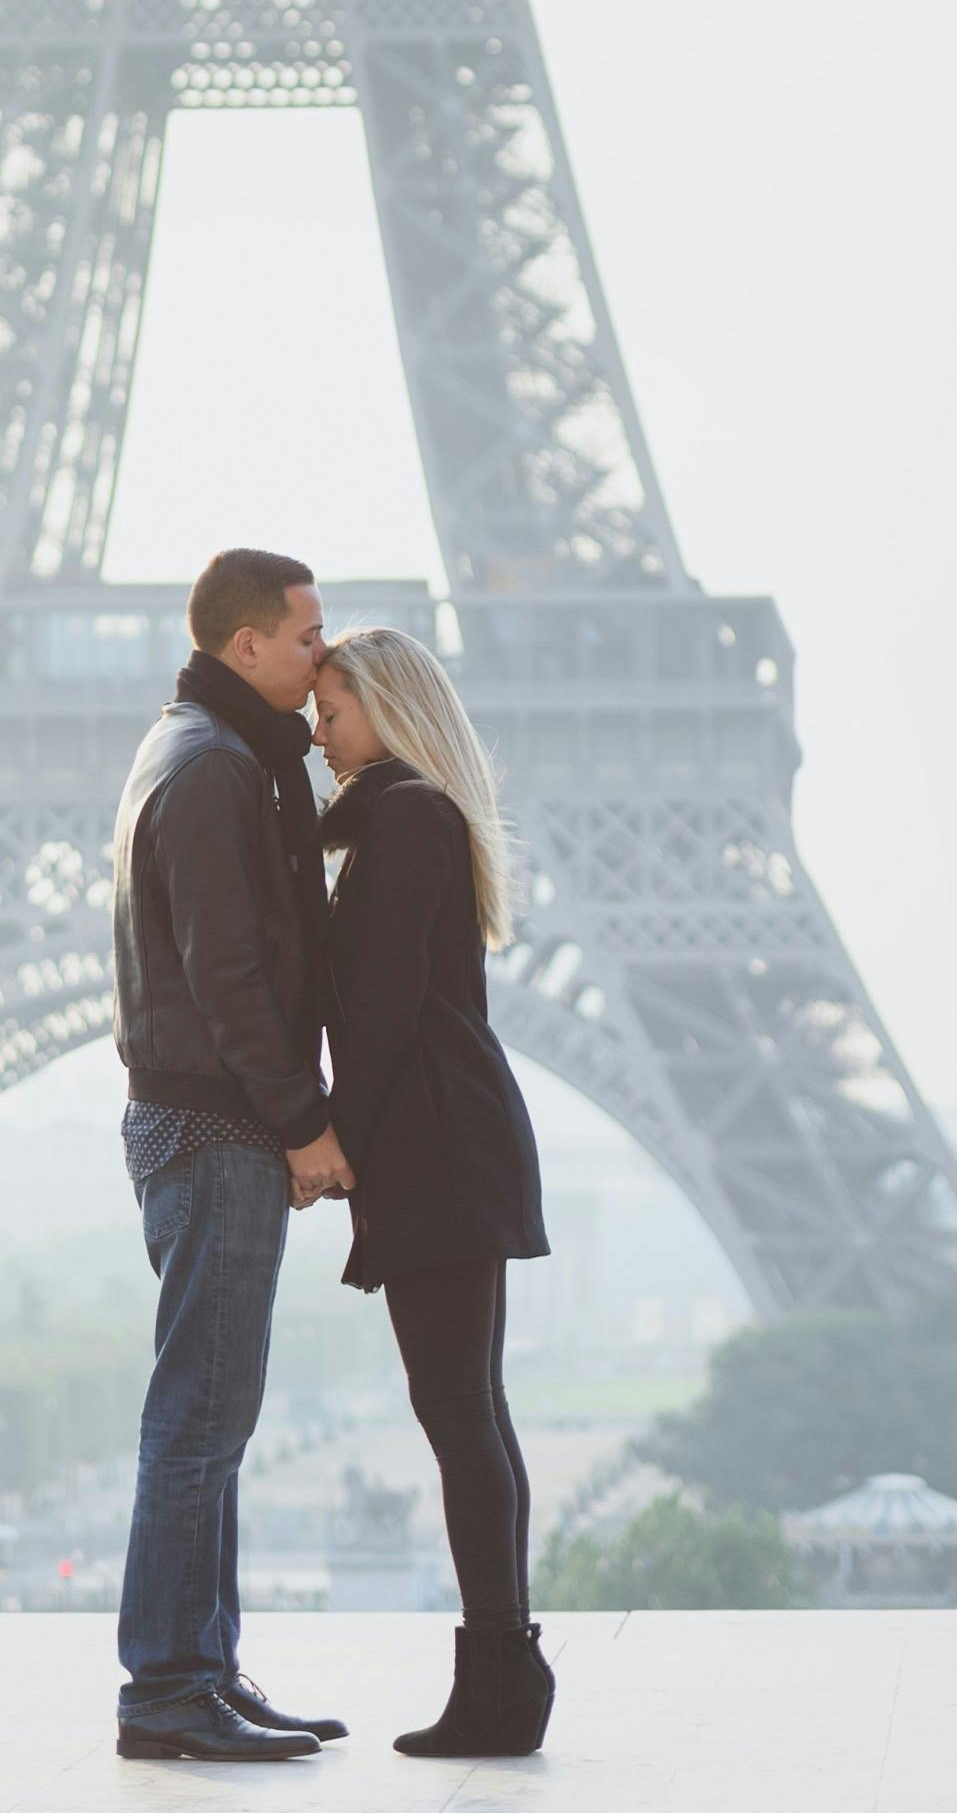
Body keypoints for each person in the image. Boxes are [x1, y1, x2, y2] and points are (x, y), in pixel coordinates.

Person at [106, 548, 358, 1762]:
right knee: (201, 1417)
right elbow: (229, 970)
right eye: (308, 634)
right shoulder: (214, 767)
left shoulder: (201, 749)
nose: (324, 652)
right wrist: (304, 1119)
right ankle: (167, 1686)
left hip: (199, 1117)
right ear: (245, 642)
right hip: (218, 1126)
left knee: (214, 1414)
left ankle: (202, 1668)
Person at [308, 624, 556, 1759]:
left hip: (435, 1143)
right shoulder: (405, 815)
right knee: (470, 1411)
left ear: (390, 708)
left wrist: (330, 1143)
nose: (319, 733)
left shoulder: (403, 818)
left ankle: (499, 1678)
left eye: (333, 710)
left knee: (457, 1413)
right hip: (450, 1136)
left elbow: (380, 1009)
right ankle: (506, 1672)